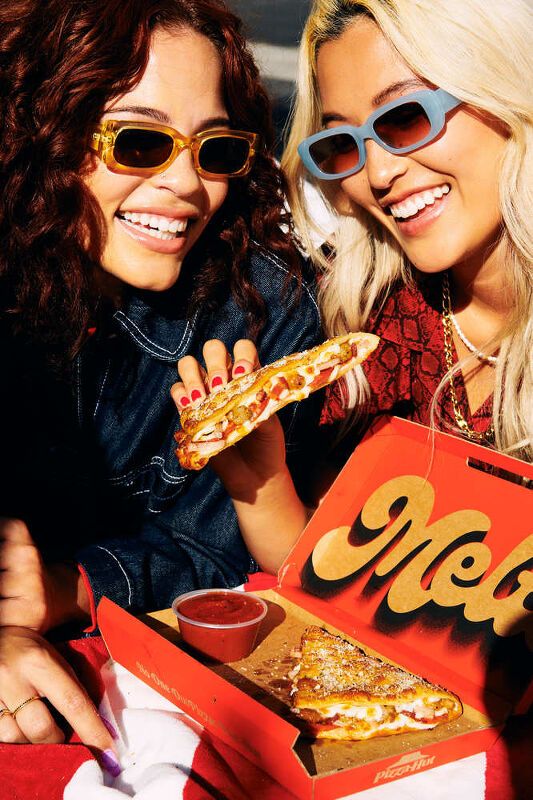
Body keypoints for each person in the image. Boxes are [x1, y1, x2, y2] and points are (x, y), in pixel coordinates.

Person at [0, 0, 321, 752]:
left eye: (214, 150)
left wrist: (67, 587)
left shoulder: (258, 309)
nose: (186, 184)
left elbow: (219, 553)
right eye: (139, 142)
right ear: (35, 134)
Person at [172, 0, 532, 572]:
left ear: (508, 92)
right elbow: (336, 583)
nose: (379, 173)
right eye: (343, 144)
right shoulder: (378, 320)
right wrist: (258, 480)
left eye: (406, 117)